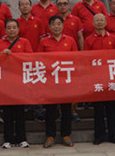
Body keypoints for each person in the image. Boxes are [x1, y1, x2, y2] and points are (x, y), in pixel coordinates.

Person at [37, 15, 77, 148]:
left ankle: (66, 134)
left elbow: (76, 58)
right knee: (50, 110)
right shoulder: (44, 41)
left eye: (59, 24)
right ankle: (50, 136)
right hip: (50, 81)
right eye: (53, 24)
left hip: (66, 80)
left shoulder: (70, 40)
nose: (56, 26)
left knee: (66, 109)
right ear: (49, 26)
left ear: (63, 25)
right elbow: (39, 59)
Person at [0, 19, 32, 148]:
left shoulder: (24, 42)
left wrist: (14, 56)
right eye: (9, 28)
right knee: (8, 113)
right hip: (5, 83)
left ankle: (22, 139)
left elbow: (30, 59)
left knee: (20, 112)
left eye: (14, 27)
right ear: (5, 30)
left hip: (20, 81)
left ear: (18, 29)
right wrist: (1, 55)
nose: (11, 30)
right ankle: (8, 139)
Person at [86, 13, 115, 145]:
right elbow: (86, 58)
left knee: (111, 108)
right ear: (93, 23)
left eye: (101, 20)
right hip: (96, 79)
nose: (99, 22)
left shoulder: (113, 38)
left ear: (106, 22)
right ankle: (99, 135)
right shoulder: (89, 39)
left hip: (110, 78)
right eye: (97, 20)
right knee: (98, 109)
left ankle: (113, 135)